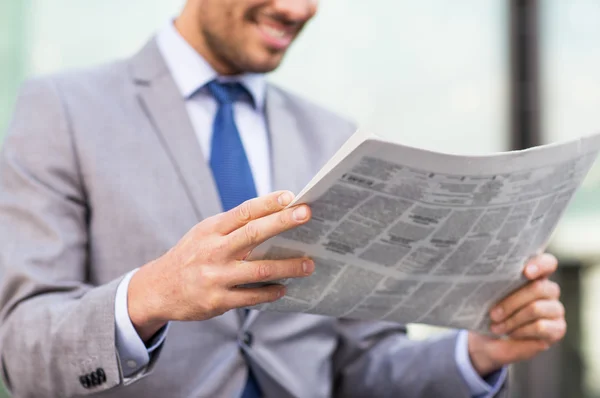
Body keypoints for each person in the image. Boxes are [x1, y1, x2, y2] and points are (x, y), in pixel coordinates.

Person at [0, 0, 566, 397]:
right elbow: (21, 349)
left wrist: (479, 353)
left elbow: (361, 368)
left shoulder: (334, 139)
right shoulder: (64, 110)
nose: (299, 9)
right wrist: (153, 294)